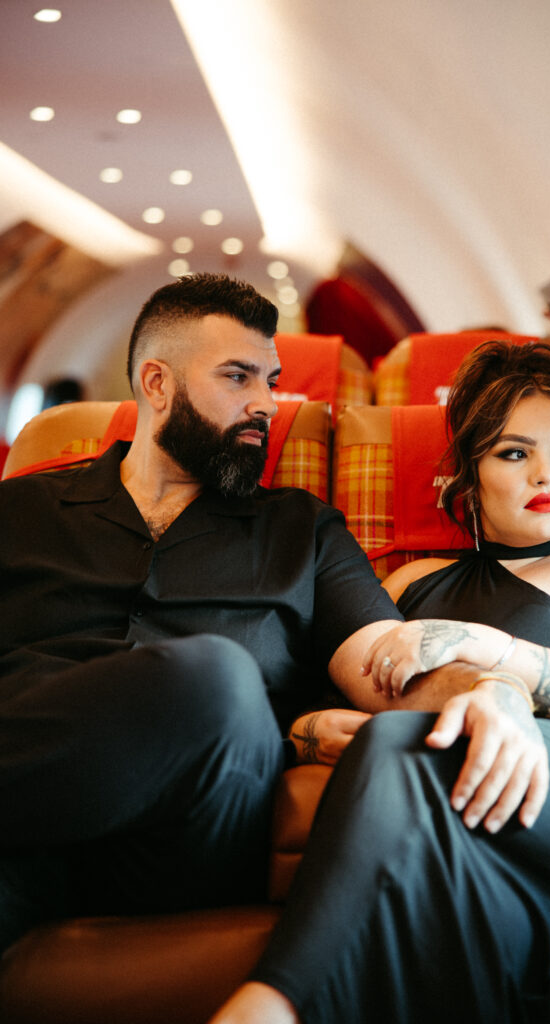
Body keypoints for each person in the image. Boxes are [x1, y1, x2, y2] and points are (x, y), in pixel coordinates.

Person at [1, 272, 477, 953]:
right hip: (26, 837)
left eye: (272, 381)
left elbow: (388, 659)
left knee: (215, 679)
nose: (267, 404)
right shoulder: (22, 511)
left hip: (186, 834)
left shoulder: (299, 530)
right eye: (237, 377)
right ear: (156, 383)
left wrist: (489, 693)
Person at [211, 341, 550, 1024]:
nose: (546, 471)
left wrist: (484, 646)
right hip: (462, 794)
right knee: (401, 755)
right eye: (513, 453)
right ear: (466, 477)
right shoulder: (407, 583)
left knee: (398, 742)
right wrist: (313, 733)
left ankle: (274, 1002)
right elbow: (319, 705)